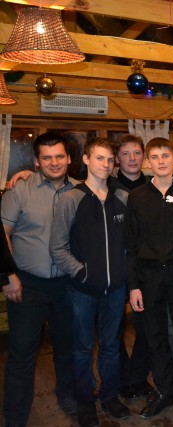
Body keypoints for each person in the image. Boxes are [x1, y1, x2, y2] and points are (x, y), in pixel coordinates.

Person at [49, 137, 131, 427]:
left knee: (111, 347)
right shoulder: (71, 199)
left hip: (115, 290)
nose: (105, 165)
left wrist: (123, 274)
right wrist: (81, 272)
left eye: (110, 160)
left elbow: (129, 244)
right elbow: (58, 247)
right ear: (85, 159)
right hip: (82, 291)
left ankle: (110, 397)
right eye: (99, 158)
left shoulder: (123, 198)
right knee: (82, 349)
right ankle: (85, 402)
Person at [1, 132, 78, 426]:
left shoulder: (81, 191)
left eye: (59, 156)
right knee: (22, 353)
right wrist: (8, 275)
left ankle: (67, 397)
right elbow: (3, 234)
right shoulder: (20, 190)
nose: (54, 162)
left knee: (67, 347)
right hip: (27, 286)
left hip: (68, 286)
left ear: (69, 158)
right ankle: (15, 416)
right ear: (36, 161)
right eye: (47, 157)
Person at [126, 137, 173, 418]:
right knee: (154, 337)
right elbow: (131, 245)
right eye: (155, 157)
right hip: (148, 278)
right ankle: (165, 391)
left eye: (165, 156)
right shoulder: (137, 197)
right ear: (148, 161)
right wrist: (133, 286)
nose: (160, 161)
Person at [111, 134, 154, 401]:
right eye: (125, 153)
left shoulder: (153, 186)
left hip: (144, 268)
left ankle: (138, 377)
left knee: (146, 326)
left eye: (137, 152)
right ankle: (122, 377)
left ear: (144, 157)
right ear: (117, 158)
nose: (132, 158)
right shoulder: (106, 186)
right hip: (114, 266)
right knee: (114, 328)